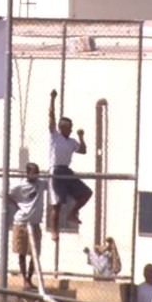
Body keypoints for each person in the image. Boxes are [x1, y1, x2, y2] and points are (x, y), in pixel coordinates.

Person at [47, 89, 91, 241]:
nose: (71, 129)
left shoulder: (71, 141)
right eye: (69, 127)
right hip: (56, 171)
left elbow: (83, 151)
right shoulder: (55, 136)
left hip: (67, 170)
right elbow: (51, 116)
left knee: (86, 193)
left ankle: (73, 212)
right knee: (57, 204)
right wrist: (52, 99)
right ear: (62, 127)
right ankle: (54, 230)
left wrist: (81, 137)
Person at [7, 162, 48, 289]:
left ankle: (30, 279)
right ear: (28, 173)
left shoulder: (41, 184)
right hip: (21, 222)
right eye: (34, 172)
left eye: (37, 172)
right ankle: (24, 279)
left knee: (35, 253)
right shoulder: (20, 185)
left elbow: (54, 184)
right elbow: (4, 194)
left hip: (35, 223)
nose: (36, 175)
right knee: (22, 253)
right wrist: (17, 204)